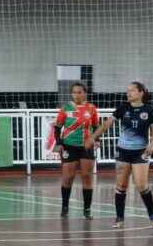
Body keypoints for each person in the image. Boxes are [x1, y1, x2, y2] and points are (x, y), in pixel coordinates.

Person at [88, 82, 153, 228]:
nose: (128, 93)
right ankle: (119, 219)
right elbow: (106, 124)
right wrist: (93, 137)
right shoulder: (123, 108)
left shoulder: (149, 110)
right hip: (123, 151)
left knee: (141, 185)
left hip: (140, 152)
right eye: (127, 91)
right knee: (121, 185)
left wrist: (152, 144)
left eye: (132, 90)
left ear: (141, 93)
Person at [52, 83, 98, 219]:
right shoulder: (66, 108)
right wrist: (59, 143)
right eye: (74, 92)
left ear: (85, 93)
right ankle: (65, 207)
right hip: (69, 146)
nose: (76, 95)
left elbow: (96, 126)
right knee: (68, 178)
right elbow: (57, 128)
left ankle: (87, 210)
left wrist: (97, 140)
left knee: (87, 177)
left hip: (86, 147)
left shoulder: (92, 108)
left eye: (79, 92)